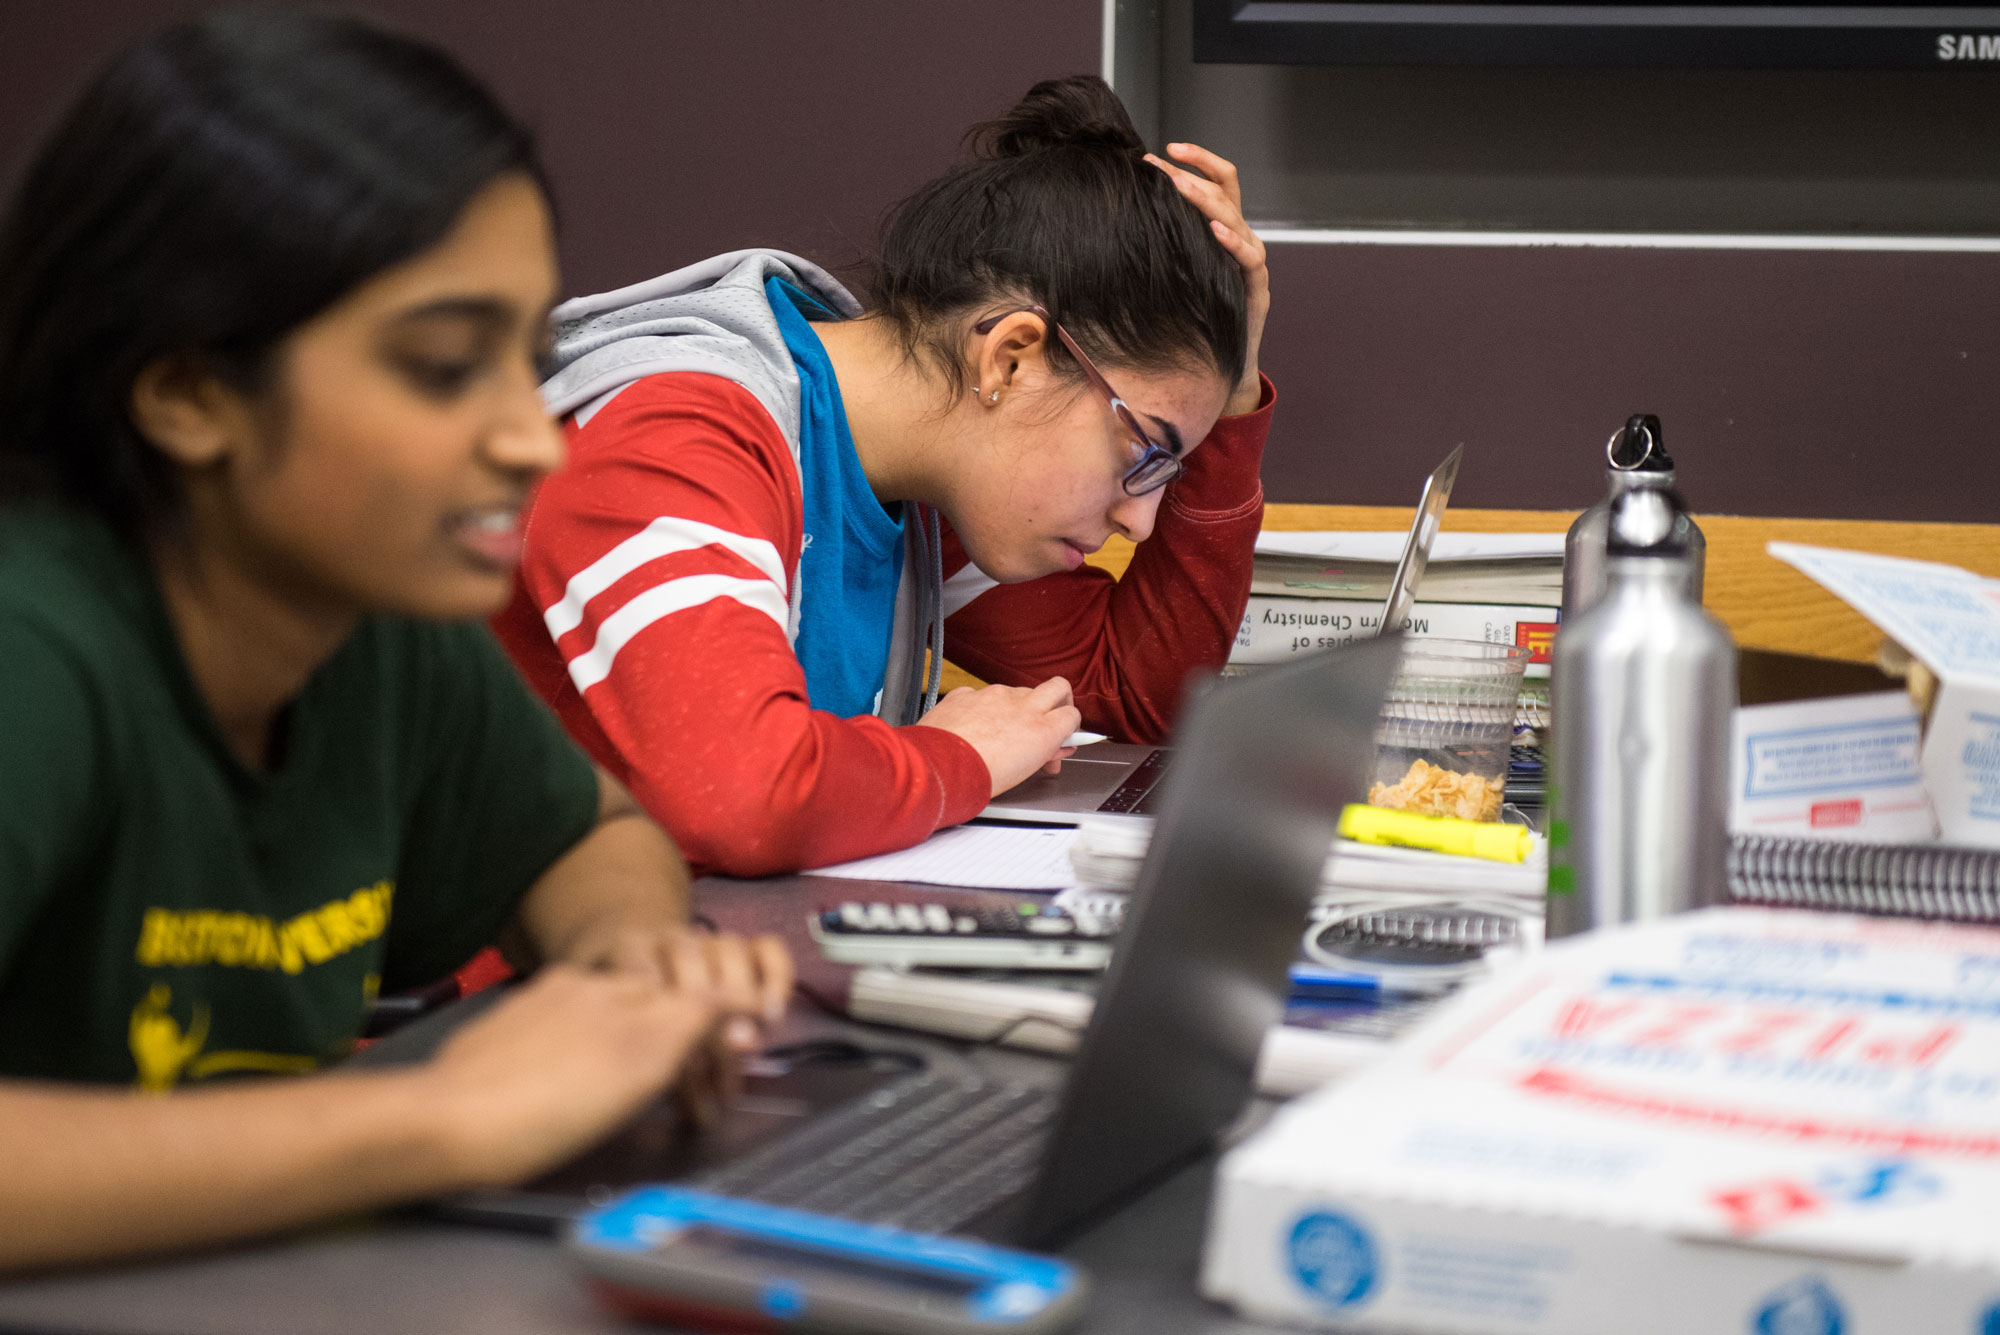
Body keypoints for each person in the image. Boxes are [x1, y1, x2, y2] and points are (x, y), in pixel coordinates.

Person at [0, 10, 789, 1271]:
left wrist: (626, 968)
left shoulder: (362, 617)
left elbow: (588, 833)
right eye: (440, 368)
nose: (531, 436)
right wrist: (439, 1118)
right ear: (190, 391)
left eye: (521, 363)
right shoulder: (36, 644)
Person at [495, 75, 1273, 876]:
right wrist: (953, 756)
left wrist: (1236, 388)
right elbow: (742, 797)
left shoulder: (918, 483)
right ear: (1010, 357)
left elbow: (1138, 693)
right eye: (1143, 452)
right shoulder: (678, 434)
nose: (1141, 522)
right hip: (488, 988)